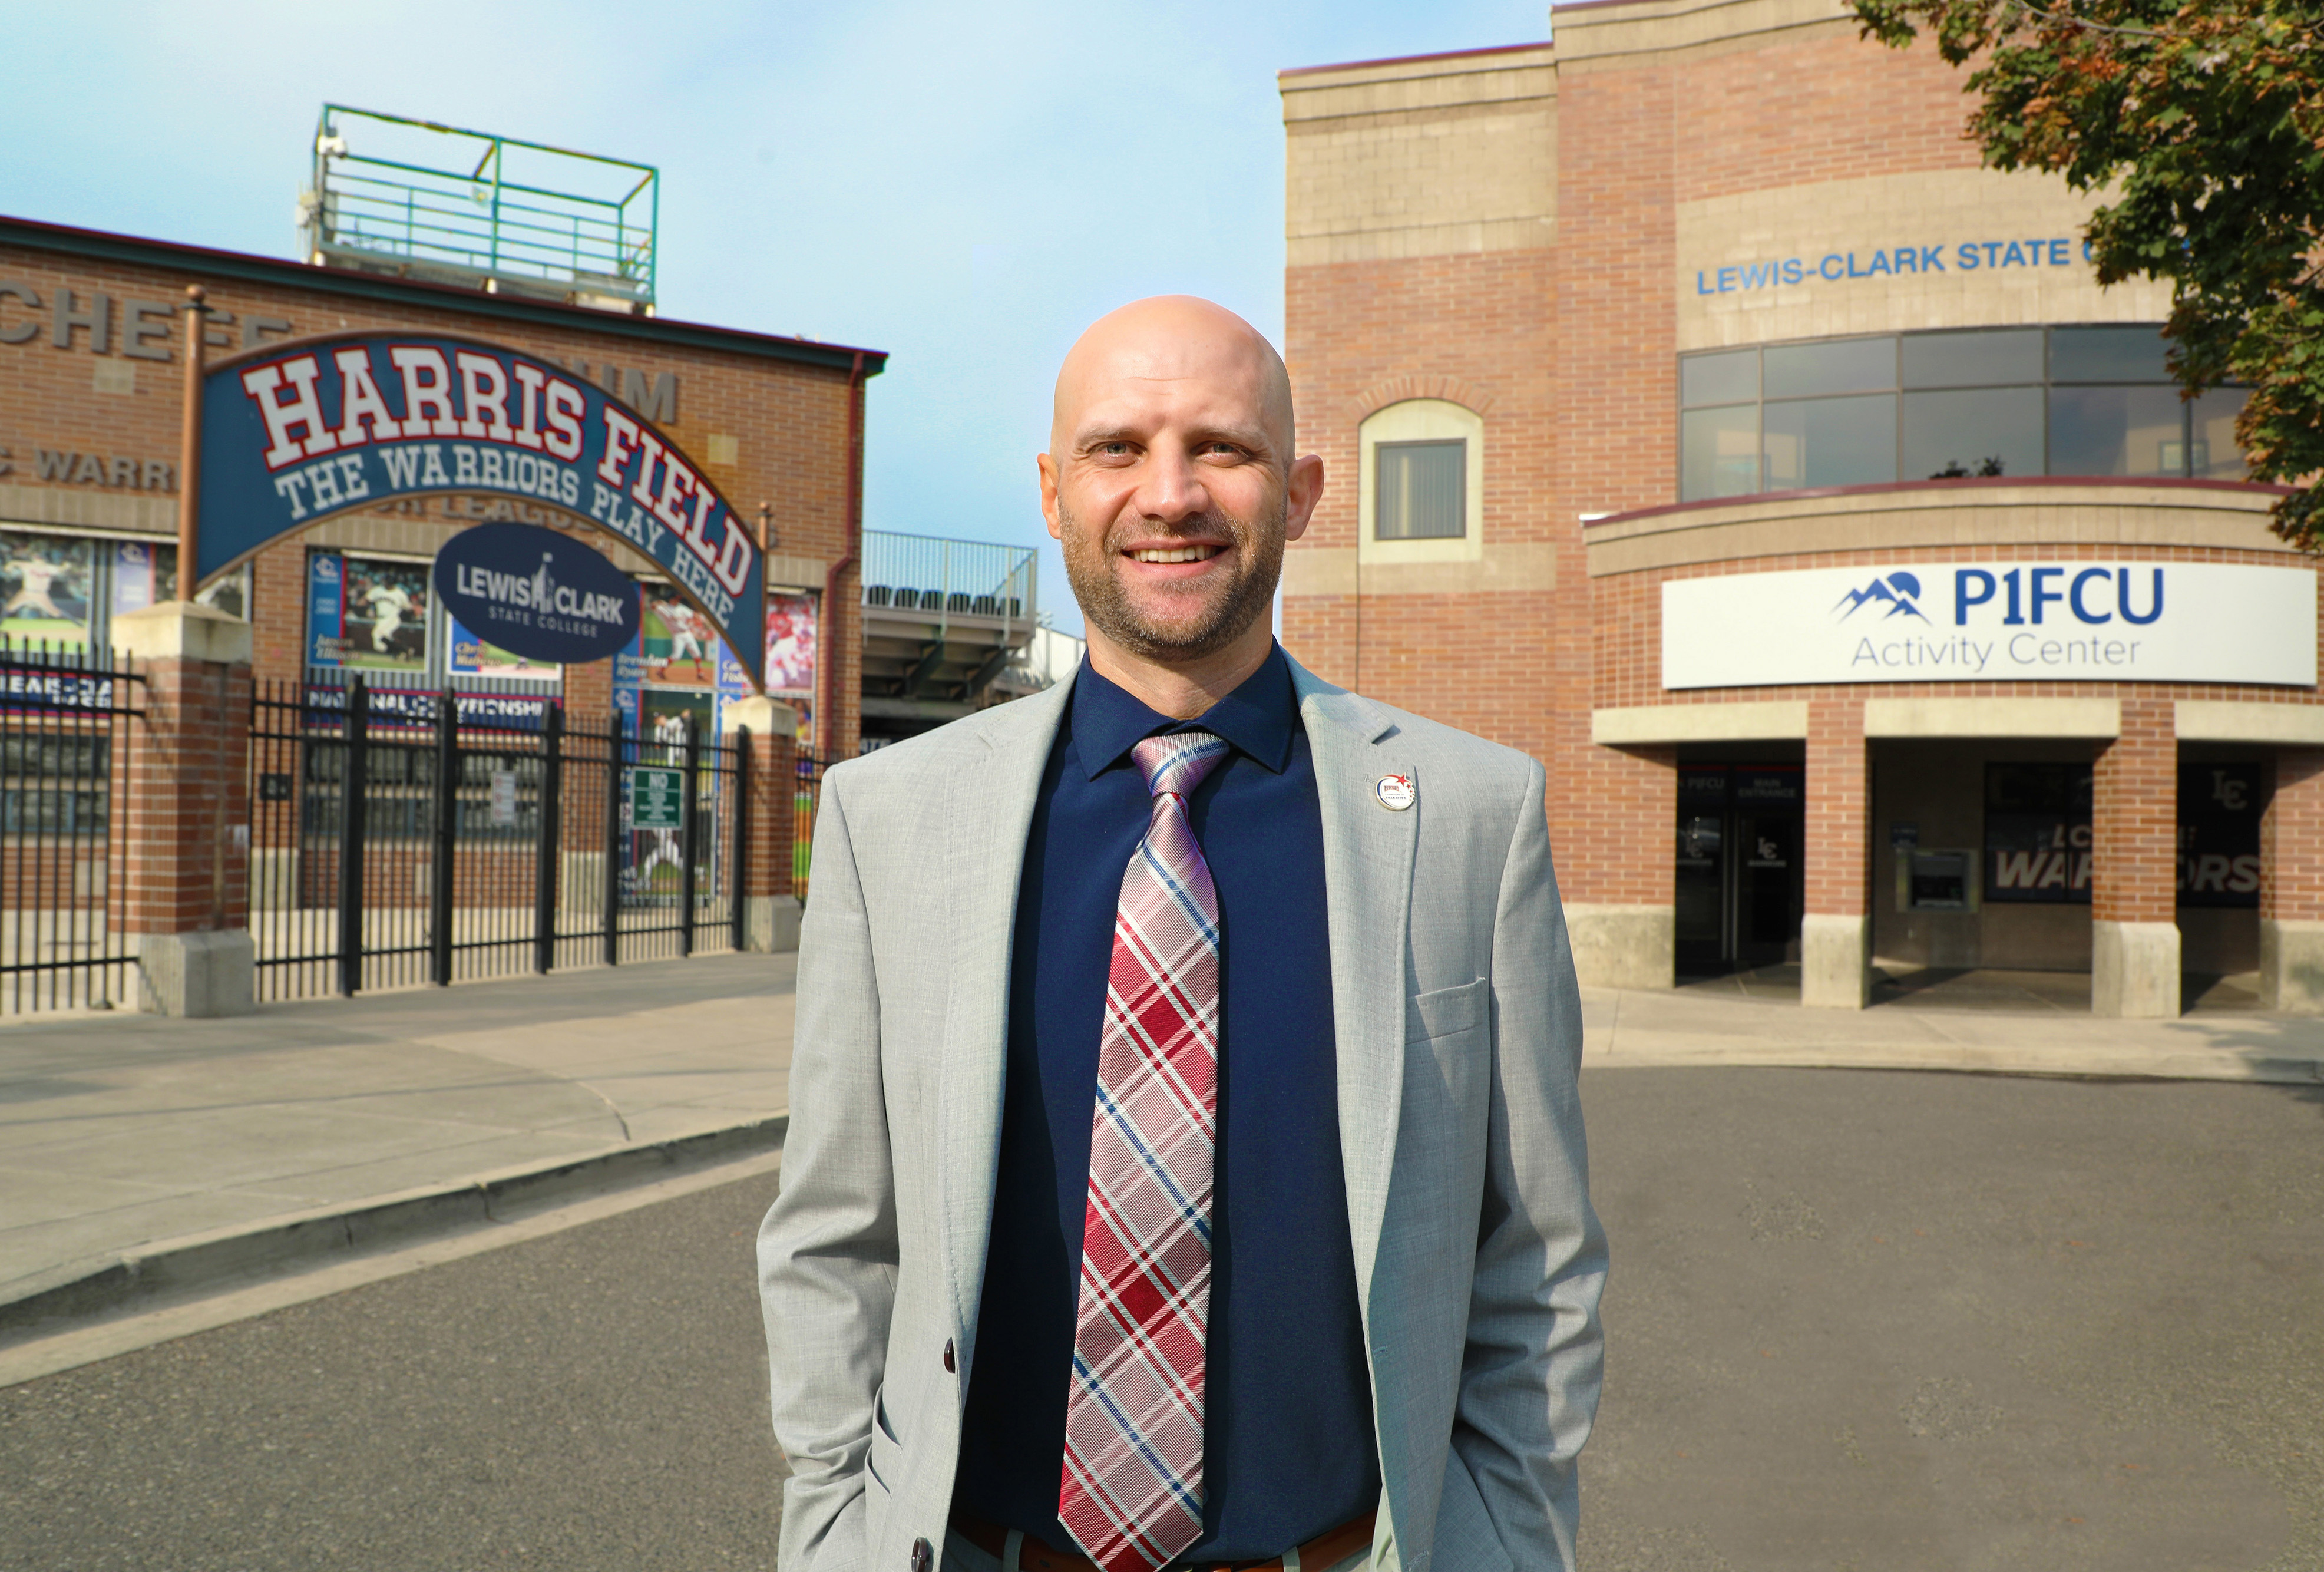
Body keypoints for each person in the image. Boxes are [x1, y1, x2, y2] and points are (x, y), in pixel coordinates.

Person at [759, 297, 1605, 1572]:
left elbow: (1533, 1250)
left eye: (1221, 446)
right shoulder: (891, 820)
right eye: (1116, 449)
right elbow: (835, 1232)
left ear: (1301, 490)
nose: (1169, 494)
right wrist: (832, 1529)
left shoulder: (1471, 818)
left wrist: (1502, 1541)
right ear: (1051, 492)